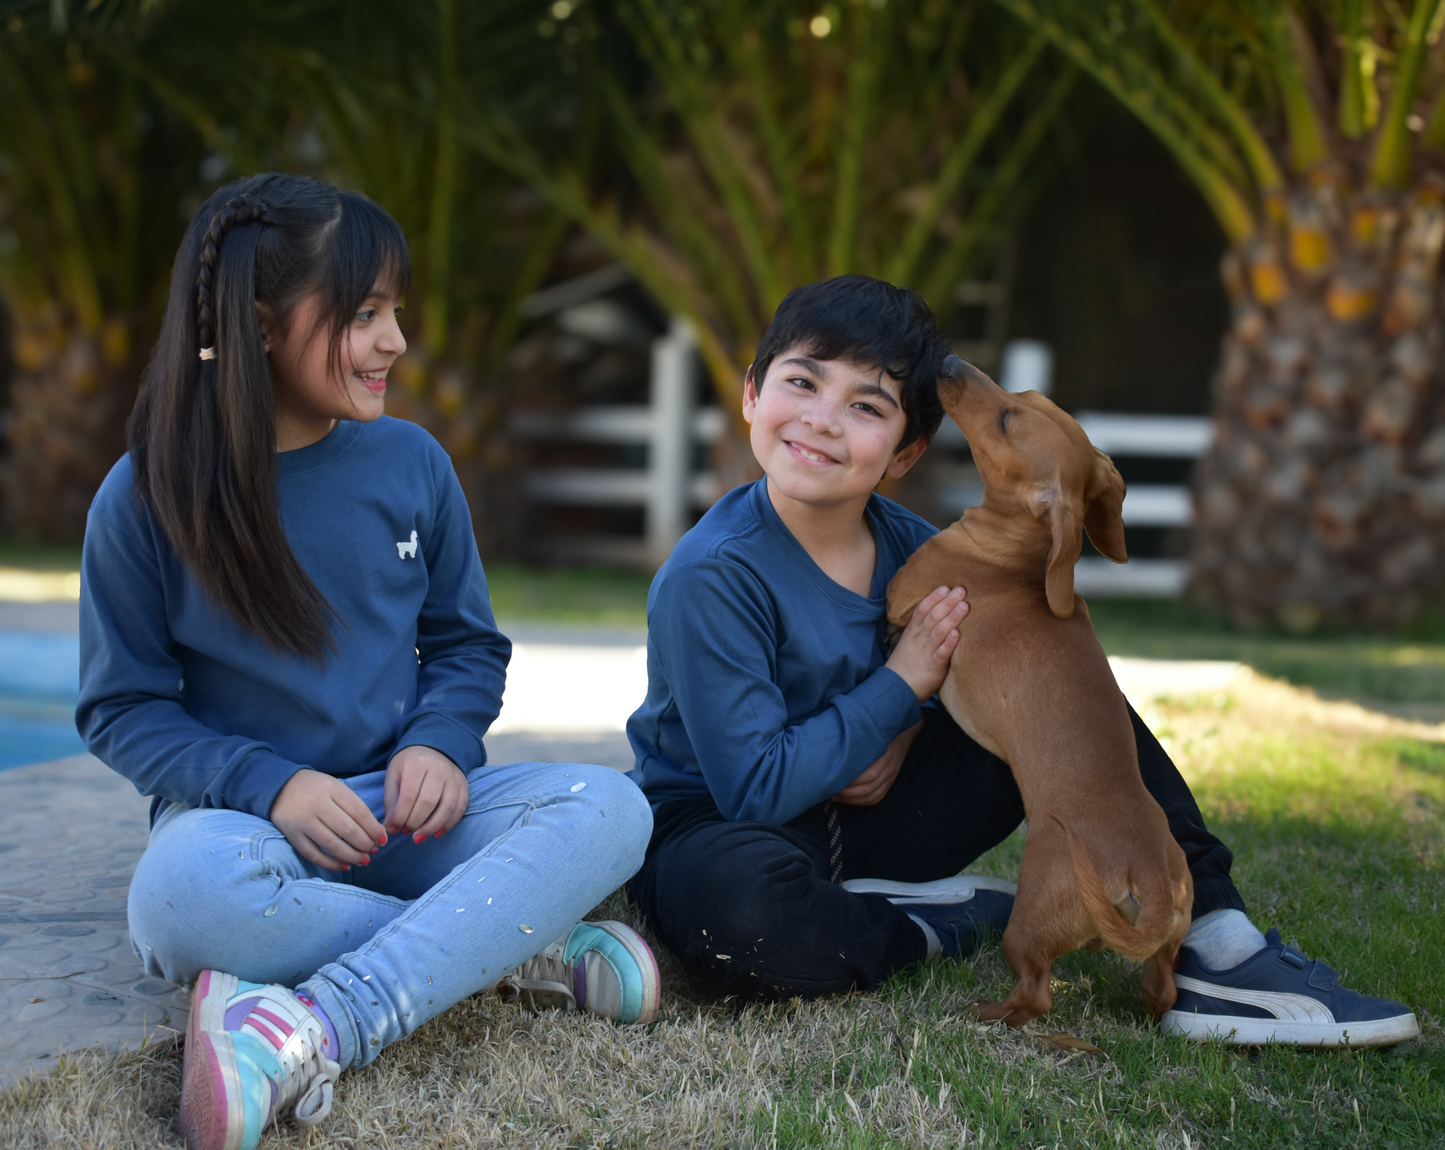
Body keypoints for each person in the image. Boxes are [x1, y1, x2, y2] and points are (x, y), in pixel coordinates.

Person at [625, 274, 1419, 1047]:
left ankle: (1214, 935)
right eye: (801, 383)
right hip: (726, 824)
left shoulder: (920, 552)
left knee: (1069, 692)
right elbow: (754, 785)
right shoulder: (712, 575)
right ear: (751, 396)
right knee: (745, 920)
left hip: (880, 814)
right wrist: (897, 690)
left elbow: (984, 690)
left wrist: (899, 726)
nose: (822, 421)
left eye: (865, 406)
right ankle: (930, 923)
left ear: (905, 452)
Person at [76, 174, 659, 1150]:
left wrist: (438, 742)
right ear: (260, 325)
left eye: (395, 311)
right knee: (177, 899)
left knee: (612, 808)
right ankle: (510, 950)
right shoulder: (144, 495)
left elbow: (467, 646)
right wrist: (271, 783)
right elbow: (123, 708)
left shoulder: (412, 465)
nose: (394, 340)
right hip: (247, 827)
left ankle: (314, 1018)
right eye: (363, 314)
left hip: (413, 813)